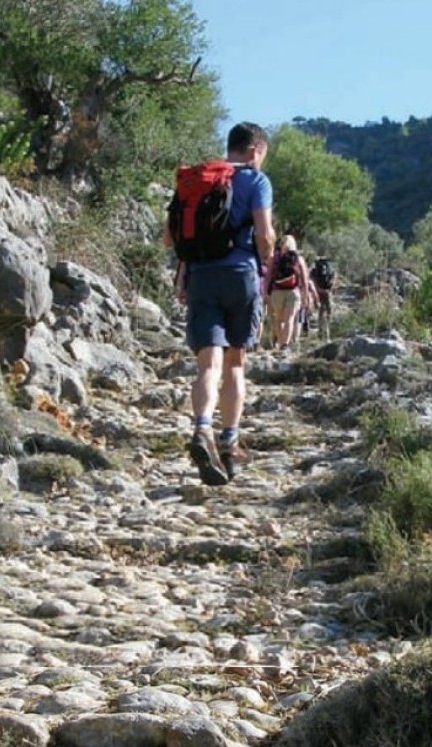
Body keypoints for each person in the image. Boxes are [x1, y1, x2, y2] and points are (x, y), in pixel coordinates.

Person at [165, 122, 274, 486]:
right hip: (241, 275)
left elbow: (170, 237)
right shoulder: (257, 181)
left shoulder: (198, 179)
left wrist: (185, 273)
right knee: (236, 364)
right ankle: (229, 441)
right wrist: (267, 261)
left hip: (201, 278)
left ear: (230, 147)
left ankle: (202, 429)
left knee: (207, 364)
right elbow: (264, 232)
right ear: (255, 150)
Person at [267, 234, 308, 348]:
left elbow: (268, 276)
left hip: (277, 292)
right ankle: (284, 345)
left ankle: (279, 341)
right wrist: (305, 295)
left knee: (279, 319)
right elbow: (304, 279)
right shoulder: (299, 259)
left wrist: (266, 292)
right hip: (293, 291)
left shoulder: (274, 258)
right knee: (289, 319)